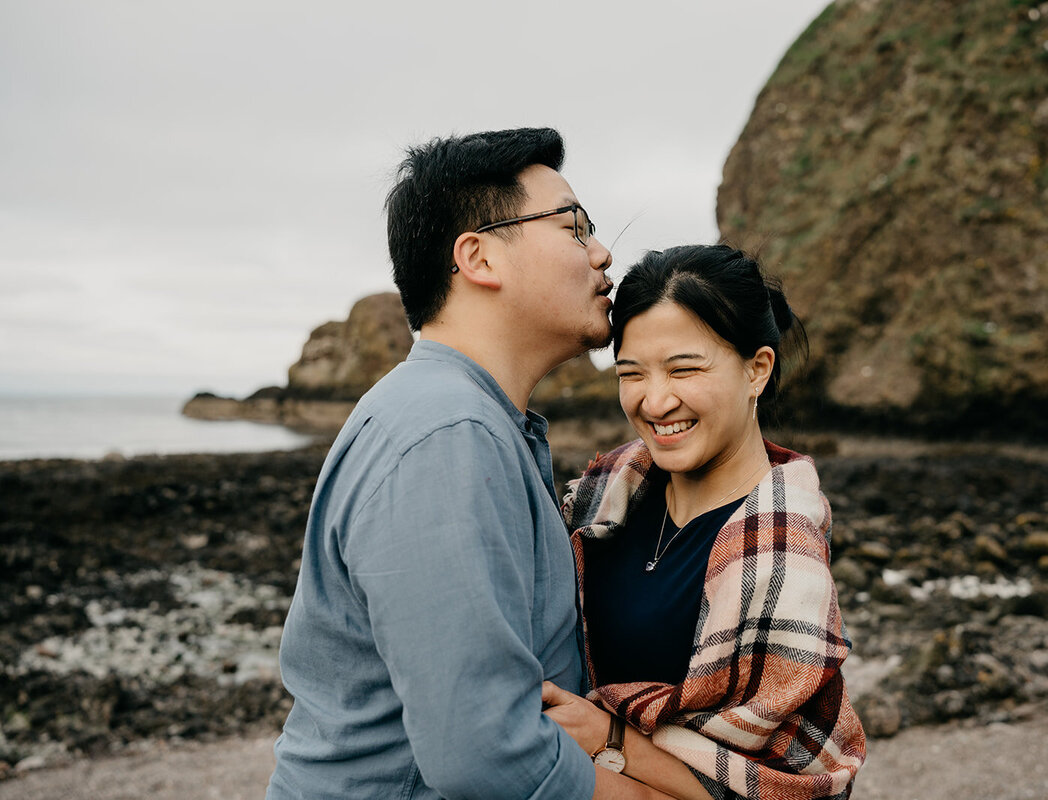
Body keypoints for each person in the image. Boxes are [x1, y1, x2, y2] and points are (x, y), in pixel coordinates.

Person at [267, 128, 670, 799]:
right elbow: (484, 749)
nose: (603, 253)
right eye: (574, 228)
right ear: (479, 257)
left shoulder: (468, 420)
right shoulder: (445, 434)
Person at [542, 244, 867, 799]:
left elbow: (792, 788)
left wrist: (609, 736)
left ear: (756, 369)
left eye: (683, 369)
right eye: (632, 373)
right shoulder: (602, 498)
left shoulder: (782, 558)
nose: (655, 399)